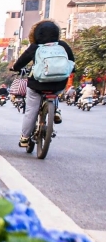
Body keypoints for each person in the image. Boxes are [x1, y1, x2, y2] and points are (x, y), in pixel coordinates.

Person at [13, 19, 75, 147]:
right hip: (59, 84)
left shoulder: (35, 47)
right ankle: (55, 110)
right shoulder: (63, 46)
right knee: (56, 91)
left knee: (31, 110)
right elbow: (72, 63)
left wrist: (15, 68)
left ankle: (25, 138)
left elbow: (20, 62)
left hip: (37, 84)